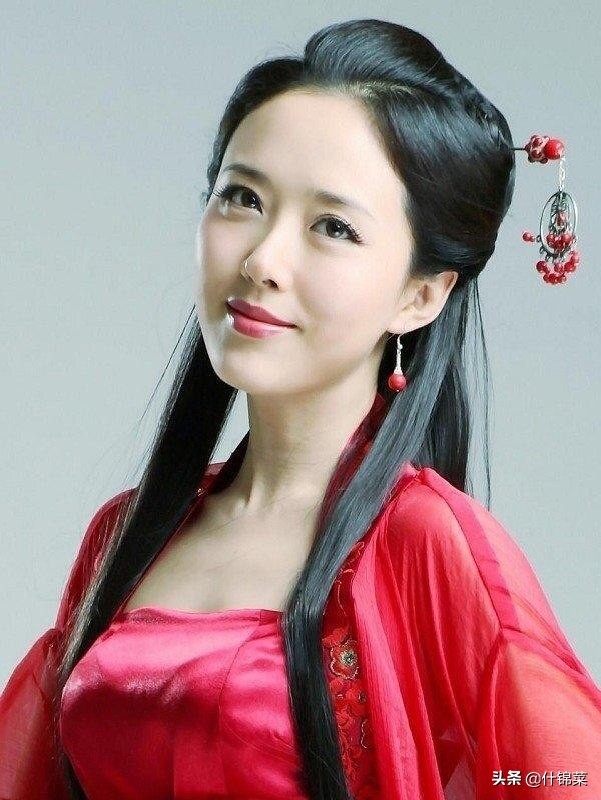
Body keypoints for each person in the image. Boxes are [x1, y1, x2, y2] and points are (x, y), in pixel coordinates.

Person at [1, 17, 599, 800]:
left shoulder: (422, 540)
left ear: (420, 296)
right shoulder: (129, 533)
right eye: (242, 197)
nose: (261, 259)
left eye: (333, 227)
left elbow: (566, 775)